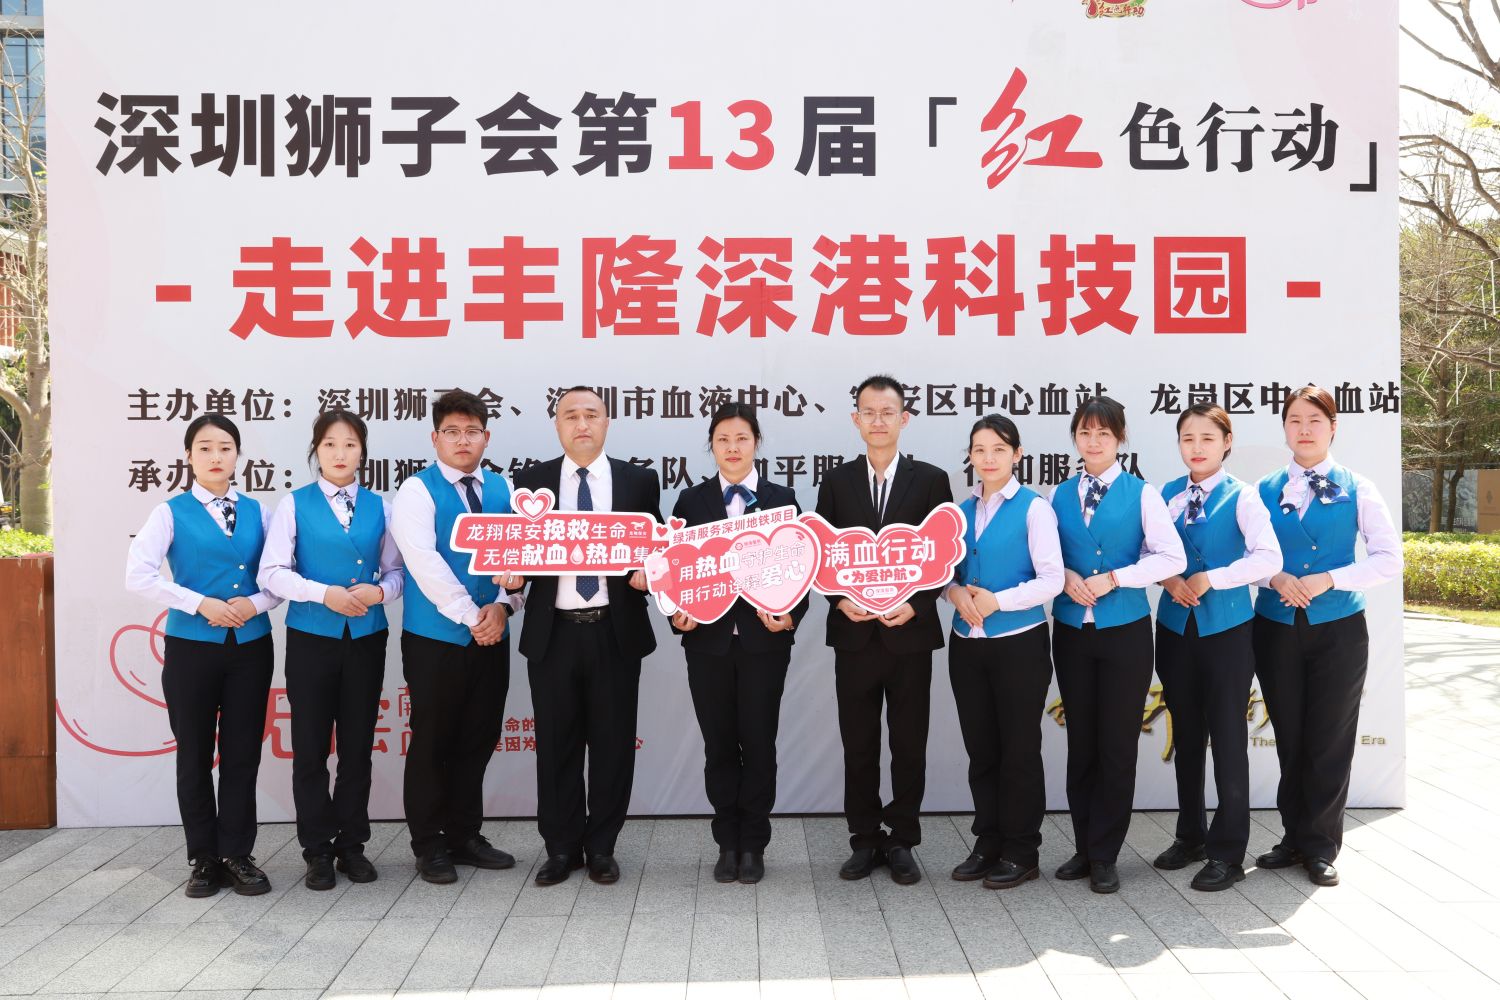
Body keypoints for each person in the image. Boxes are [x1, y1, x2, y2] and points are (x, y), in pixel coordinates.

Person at [125, 414, 281, 897]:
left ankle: (237, 854)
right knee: (193, 753)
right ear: (189, 456)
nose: (216, 456)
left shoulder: (261, 513)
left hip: (251, 648)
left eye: (226, 448)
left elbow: (279, 576)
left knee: (242, 753)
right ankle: (203, 858)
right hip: (191, 649)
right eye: (206, 448)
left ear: (238, 456)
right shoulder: (169, 513)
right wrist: (199, 603)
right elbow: (138, 575)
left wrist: (254, 604)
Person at [1252, 385, 1401, 887]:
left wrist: (1331, 578)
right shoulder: (1263, 489)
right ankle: (1292, 837)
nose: (1305, 429)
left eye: (1315, 420)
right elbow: (1245, 557)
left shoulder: (1359, 487)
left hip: (1339, 629)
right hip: (1275, 627)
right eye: (1295, 420)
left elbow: (1388, 559)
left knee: (1330, 738)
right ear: (1284, 428)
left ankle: (1320, 845)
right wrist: (1274, 578)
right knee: (1290, 737)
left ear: (1333, 427)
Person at [516, 386, 662, 887]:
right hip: (553, 633)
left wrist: (650, 572)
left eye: (591, 415)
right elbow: (520, 552)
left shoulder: (638, 481)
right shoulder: (531, 481)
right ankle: (560, 848)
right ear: (557, 424)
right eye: (570, 416)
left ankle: (602, 847)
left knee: (612, 745)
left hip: (613, 632)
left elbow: (654, 548)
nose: (582, 424)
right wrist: (512, 577)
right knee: (555, 744)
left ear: (607, 422)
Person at [815, 374, 954, 885]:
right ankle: (864, 838)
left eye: (887, 412)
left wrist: (917, 605)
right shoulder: (836, 482)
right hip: (854, 636)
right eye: (868, 412)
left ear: (904, 419)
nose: (878, 421)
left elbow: (942, 554)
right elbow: (821, 554)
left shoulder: (932, 480)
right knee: (859, 744)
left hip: (908, 635)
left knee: (908, 744)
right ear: (856, 419)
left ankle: (902, 840)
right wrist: (839, 599)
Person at [258, 410, 403, 890]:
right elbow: (271, 573)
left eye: (350, 444)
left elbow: (397, 573)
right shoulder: (294, 504)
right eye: (329, 445)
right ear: (315, 450)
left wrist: (380, 592)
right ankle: (317, 849)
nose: (340, 454)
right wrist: (324, 594)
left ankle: (352, 846)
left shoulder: (382, 508)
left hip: (366, 639)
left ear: (363, 452)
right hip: (311, 639)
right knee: (310, 749)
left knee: (358, 747)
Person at [1050, 395, 1186, 894]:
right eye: (1085, 432)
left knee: (1116, 745)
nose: (1093, 441)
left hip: (1125, 632)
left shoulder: (1142, 494)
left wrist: (1116, 578)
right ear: (1075, 437)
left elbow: (1170, 557)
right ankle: (1084, 848)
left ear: (1120, 439)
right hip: (1071, 631)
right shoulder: (1058, 494)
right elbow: (1045, 556)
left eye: (1103, 434)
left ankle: (1105, 853)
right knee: (1081, 744)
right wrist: (1066, 576)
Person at [669, 403, 809, 885]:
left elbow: (800, 570)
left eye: (742, 439)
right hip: (707, 645)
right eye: (723, 440)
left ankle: (754, 844)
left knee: (759, 742)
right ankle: (726, 842)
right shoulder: (690, 501)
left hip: (763, 645)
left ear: (756, 443)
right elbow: (674, 570)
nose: (732, 448)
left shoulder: (781, 500)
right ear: (711, 445)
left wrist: (790, 616)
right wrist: (677, 616)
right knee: (719, 745)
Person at [390, 389, 523, 884]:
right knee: (433, 740)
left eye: (472, 431)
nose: (462, 440)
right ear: (435, 438)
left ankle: (465, 835)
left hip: (492, 632)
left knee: (478, 738)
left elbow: (521, 559)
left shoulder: (504, 490)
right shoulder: (416, 491)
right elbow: (424, 563)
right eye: (452, 431)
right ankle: (429, 845)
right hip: (436, 639)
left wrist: (505, 606)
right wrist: (473, 616)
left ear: (486, 437)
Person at [1153, 404, 1281, 891]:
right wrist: (1168, 578)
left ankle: (1228, 852)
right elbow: (1146, 551)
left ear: (1227, 442)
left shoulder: (1243, 496)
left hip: (1228, 630)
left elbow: (1269, 558)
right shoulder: (1165, 494)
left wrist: (1214, 577)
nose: (1197, 447)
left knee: (1227, 738)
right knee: (1186, 735)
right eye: (1188, 438)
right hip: (1174, 628)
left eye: (1208, 438)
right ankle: (1190, 835)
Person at [945, 415, 1063, 890]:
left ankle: (1021, 850)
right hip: (966, 645)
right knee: (982, 749)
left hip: (1019, 644)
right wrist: (954, 592)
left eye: (998, 449)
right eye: (979, 450)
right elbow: (945, 575)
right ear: (970, 457)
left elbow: (1052, 579)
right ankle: (987, 841)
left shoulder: (1035, 509)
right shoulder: (959, 512)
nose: (988, 458)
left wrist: (999, 601)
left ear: (1017, 454)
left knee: (1019, 750)